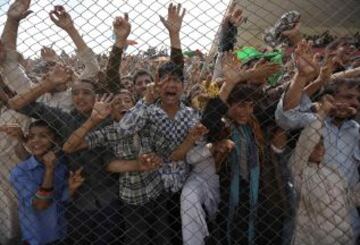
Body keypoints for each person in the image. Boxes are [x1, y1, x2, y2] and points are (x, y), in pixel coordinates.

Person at [290, 95, 360, 245]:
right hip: (315, 239)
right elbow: (307, 139)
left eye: (322, 145)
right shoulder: (300, 170)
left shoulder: (333, 172)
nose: (320, 149)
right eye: (315, 146)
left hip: (344, 238)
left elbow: (351, 199)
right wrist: (322, 113)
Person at [9, 120, 84, 245]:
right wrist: (49, 170)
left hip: (61, 234)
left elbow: (61, 198)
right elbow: (40, 205)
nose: (35, 140)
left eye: (43, 136)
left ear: (57, 141)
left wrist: (71, 189)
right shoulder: (20, 171)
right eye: (31, 136)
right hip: (36, 238)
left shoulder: (61, 166)